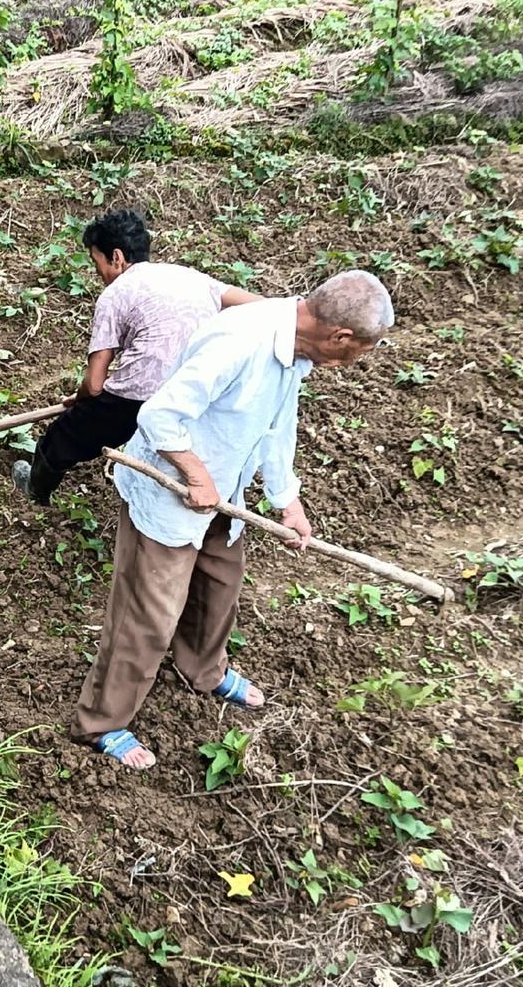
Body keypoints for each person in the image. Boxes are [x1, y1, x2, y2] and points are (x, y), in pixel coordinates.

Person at [73, 270, 395, 772]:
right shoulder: (240, 340)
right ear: (341, 336)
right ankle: (101, 721)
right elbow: (160, 416)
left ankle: (202, 669)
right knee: (148, 616)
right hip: (173, 489)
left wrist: (287, 499)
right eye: (359, 352)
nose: (352, 363)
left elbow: (277, 423)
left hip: (225, 494)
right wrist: (197, 476)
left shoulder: (296, 349)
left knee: (220, 585)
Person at [12, 208, 261, 506]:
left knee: (60, 439)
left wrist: (79, 402)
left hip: (135, 399)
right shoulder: (192, 278)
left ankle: (36, 489)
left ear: (116, 257)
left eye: (97, 262)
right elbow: (260, 306)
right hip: (197, 393)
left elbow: (94, 385)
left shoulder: (117, 293)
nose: (98, 273)